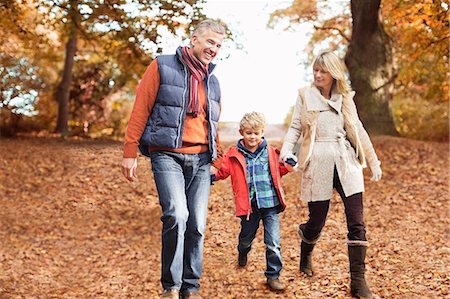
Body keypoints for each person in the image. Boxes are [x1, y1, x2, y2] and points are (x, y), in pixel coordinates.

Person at [120, 19, 225, 299]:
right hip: (167, 154)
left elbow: (211, 123)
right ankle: (171, 286)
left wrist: (217, 158)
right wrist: (129, 151)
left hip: (201, 160)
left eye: (218, 45)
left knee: (197, 225)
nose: (214, 49)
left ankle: (191, 287)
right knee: (177, 215)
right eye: (210, 42)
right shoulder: (162, 66)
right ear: (194, 39)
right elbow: (141, 107)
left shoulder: (212, 81)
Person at [280, 50, 382, 299]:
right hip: (318, 161)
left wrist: (373, 161)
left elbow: (358, 128)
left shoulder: (346, 96)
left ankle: (358, 282)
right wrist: (286, 152)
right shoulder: (305, 95)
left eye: (323, 71)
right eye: (315, 69)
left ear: (334, 73)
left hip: (346, 161)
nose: (317, 74)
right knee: (317, 221)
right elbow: (295, 128)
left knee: (357, 222)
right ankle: (307, 247)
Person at [211, 112, 294, 292]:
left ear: (262, 132)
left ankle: (273, 276)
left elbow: (282, 168)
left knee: (273, 242)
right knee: (246, 238)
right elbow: (222, 171)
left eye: (256, 133)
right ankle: (243, 251)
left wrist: (290, 164)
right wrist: (210, 175)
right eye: (249, 133)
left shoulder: (271, 152)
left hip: (270, 204)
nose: (253, 137)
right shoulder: (234, 155)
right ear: (242, 132)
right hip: (250, 207)